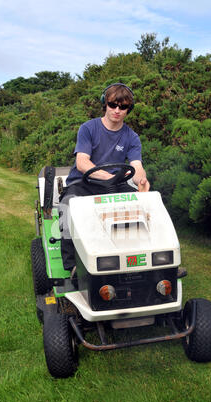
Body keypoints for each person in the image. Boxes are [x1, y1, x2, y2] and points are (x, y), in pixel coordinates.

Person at [59, 83, 150, 276]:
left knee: (147, 207)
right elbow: (82, 162)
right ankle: (72, 266)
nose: (117, 110)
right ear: (105, 104)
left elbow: (137, 166)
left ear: (128, 110)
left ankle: (146, 260)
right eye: (112, 105)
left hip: (115, 186)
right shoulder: (88, 129)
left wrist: (141, 181)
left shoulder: (132, 137)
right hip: (84, 184)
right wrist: (110, 177)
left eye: (123, 107)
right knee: (68, 205)